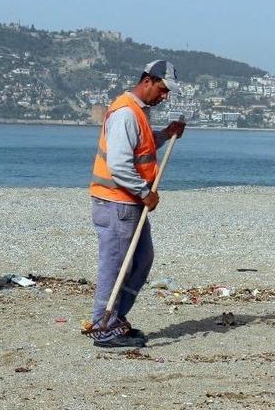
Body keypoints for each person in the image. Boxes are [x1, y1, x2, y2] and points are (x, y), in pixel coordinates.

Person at [87, 60, 186, 347]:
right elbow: (119, 164)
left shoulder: (139, 114)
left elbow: (141, 148)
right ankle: (102, 326)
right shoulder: (126, 114)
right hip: (117, 202)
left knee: (142, 260)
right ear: (148, 81)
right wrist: (145, 192)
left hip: (130, 203)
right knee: (115, 265)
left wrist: (166, 134)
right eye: (163, 89)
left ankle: (115, 318)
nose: (165, 96)